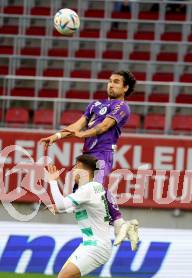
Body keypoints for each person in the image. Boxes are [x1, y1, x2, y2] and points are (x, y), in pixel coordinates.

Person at [39, 70, 139, 250]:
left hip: (102, 153)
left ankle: (119, 223)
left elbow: (104, 126)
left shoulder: (121, 107)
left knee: (96, 188)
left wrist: (82, 134)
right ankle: (119, 224)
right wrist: (57, 136)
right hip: (87, 155)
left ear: (125, 88)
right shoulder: (95, 104)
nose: (111, 84)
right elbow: (77, 126)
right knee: (82, 194)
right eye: (110, 81)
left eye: (116, 82)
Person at [48, 154, 111, 278]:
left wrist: (52, 182)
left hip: (96, 245)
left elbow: (61, 204)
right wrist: (61, 209)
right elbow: (77, 207)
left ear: (84, 170)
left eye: (76, 166)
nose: (73, 170)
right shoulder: (94, 188)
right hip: (91, 243)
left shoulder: (88, 189)